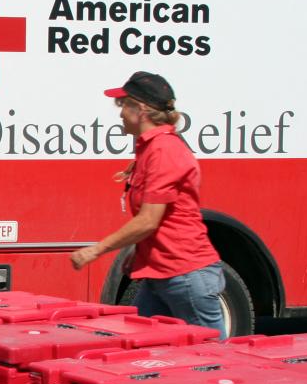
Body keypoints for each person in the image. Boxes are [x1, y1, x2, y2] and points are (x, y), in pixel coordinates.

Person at [70, 71, 228, 338]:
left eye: (122, 106)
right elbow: (160, 219)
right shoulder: (151, 148)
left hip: (185, 275)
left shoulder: (164, 150)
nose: (120, 114)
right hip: (163, 274)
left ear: (140, 109)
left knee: (216, 358)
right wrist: (139, 251)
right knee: (142, 343)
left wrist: (96, 250)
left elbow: (148, 220)